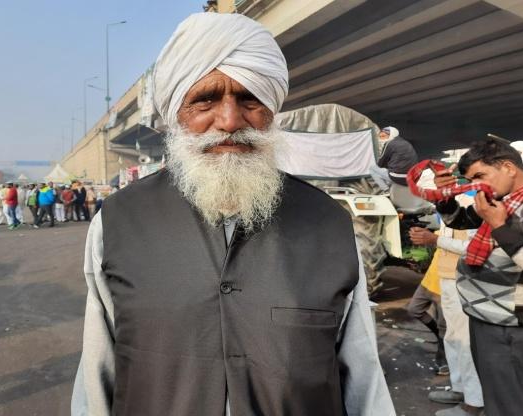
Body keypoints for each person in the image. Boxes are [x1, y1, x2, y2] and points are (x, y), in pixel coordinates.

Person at [71, 12, 393, 416]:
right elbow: (97, 377)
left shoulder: (327, 222)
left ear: (271, 109)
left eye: (249, 98)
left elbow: (363, 377)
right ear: (176, 113)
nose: (229, 121)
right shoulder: (119, 222)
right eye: (205, 100)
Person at [432, 138, 523, 416]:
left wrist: (499, 227)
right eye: (471, 180)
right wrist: (445, 197)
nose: (476, 186)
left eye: (480, 176)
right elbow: (460, 220)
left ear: (508, 167)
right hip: (490, 318)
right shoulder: (505, 199)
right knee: (501, 398)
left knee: (515, 405)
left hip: (516, 326)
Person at [410, 211, 484, 416]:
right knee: (453, 338)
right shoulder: (453, 203)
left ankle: (474, 402)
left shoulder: (471, 204)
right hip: (448, 277)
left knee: (465, 342)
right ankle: (460, 390)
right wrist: (430, 237)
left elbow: (474, 247)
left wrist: (434, 239)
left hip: (464, 279)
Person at [404, 236, 448, 376]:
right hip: (429, 280)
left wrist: (432, 238)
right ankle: (438, 335)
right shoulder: (444, 229)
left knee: (444, 327)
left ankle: (443, 361)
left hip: (444, 284)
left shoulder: (462, 230)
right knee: (414, 309)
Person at [370, 126, 418, 192]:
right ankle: (393, 188)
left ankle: (386, 190)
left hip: (398, 178)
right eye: (381, 137)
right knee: (390, 170)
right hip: (412, 177)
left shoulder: (389, 143)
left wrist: (386, 165)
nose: (381, 139)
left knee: (372, 168)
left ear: (392, 135)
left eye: (384, 136)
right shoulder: (406, 143)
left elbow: (380, 164)